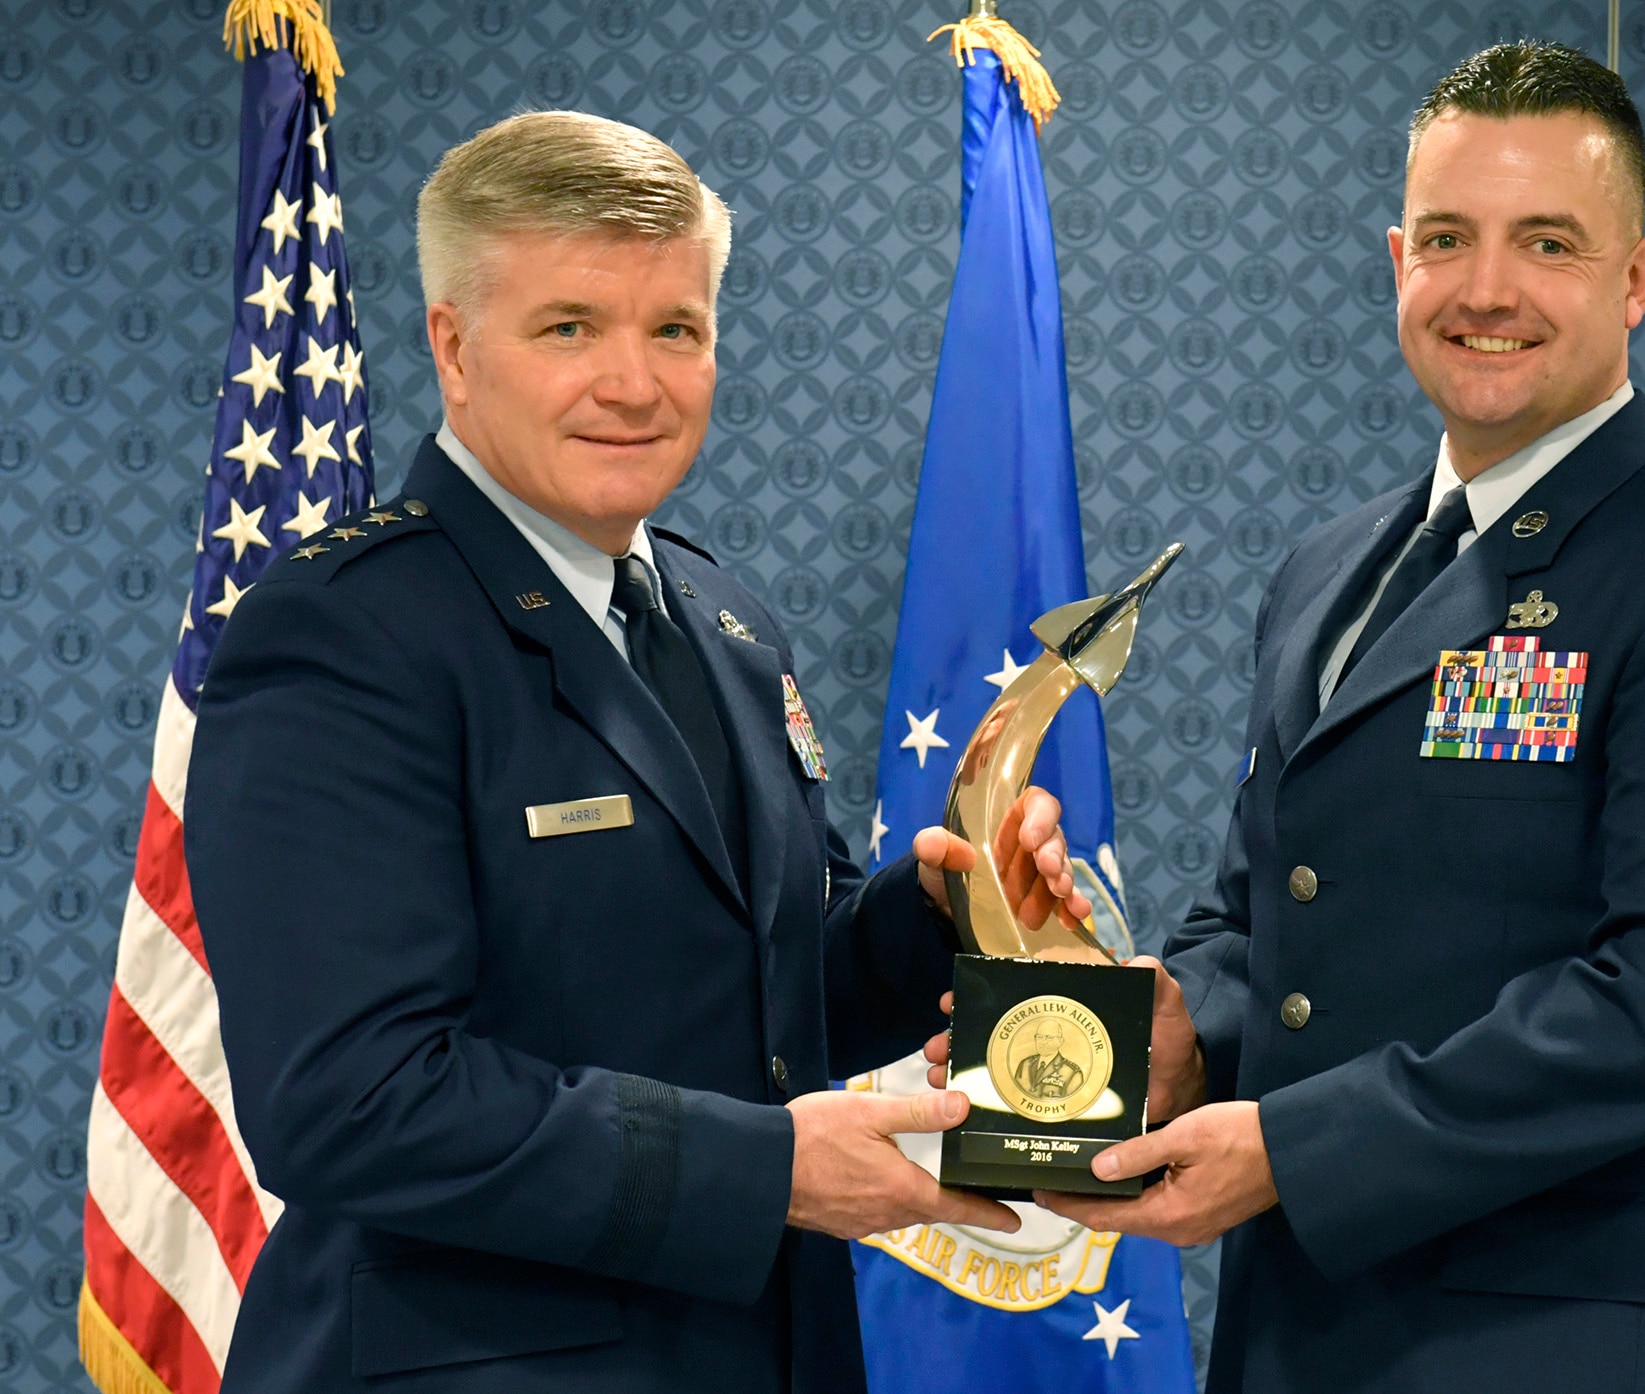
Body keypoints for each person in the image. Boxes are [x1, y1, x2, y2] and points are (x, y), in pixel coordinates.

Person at [948, 43, 1645, 1392]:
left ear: (1638, 278)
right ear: (1398, 260)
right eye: (1448, 238)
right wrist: (1175, 1028)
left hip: (1565, 1345)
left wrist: (1296, 1151)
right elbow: (1267, 908)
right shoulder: (1330, 569)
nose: (1486, 289)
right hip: (1301, 1336)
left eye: (1547, 241)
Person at [185, 111, 1092, 1394]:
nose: (635, 381)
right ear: (452, 346)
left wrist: (940, 908)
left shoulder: (724, 622)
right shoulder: (347, 634)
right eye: (569, 327)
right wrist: (766, 1168)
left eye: (676, 327)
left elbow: (769, 994)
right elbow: (350, 1098)